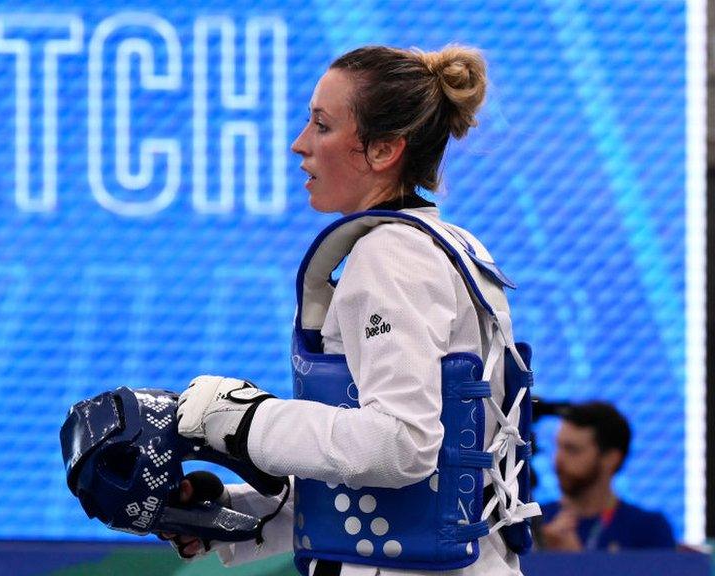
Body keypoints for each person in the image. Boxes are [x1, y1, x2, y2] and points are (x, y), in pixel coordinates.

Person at [170, 44, 540, 576]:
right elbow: (429, 481)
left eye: (322, 125)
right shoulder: (446, 244)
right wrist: (238, 514)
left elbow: (403, 444)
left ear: (383, 149)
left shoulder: (389, 254)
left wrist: (246, 418)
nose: (300, 145)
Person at [537, 401, 675, 551]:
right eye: (558, 447)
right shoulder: (531, 524)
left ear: (611, 458)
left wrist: (574, 563)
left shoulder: (648, 531)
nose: (558, 460)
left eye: (572, 450)